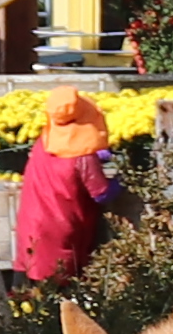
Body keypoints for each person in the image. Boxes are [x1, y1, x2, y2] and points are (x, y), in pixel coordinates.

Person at [12, 90, 118, 288]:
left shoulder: (45, 141)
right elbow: (101, 193)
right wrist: (121, 181)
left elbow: (58, 164)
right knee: (60, 290)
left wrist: (99, 156)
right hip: (62, 231)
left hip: (32, 225)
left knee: (29, 284)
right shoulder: (83, 156)